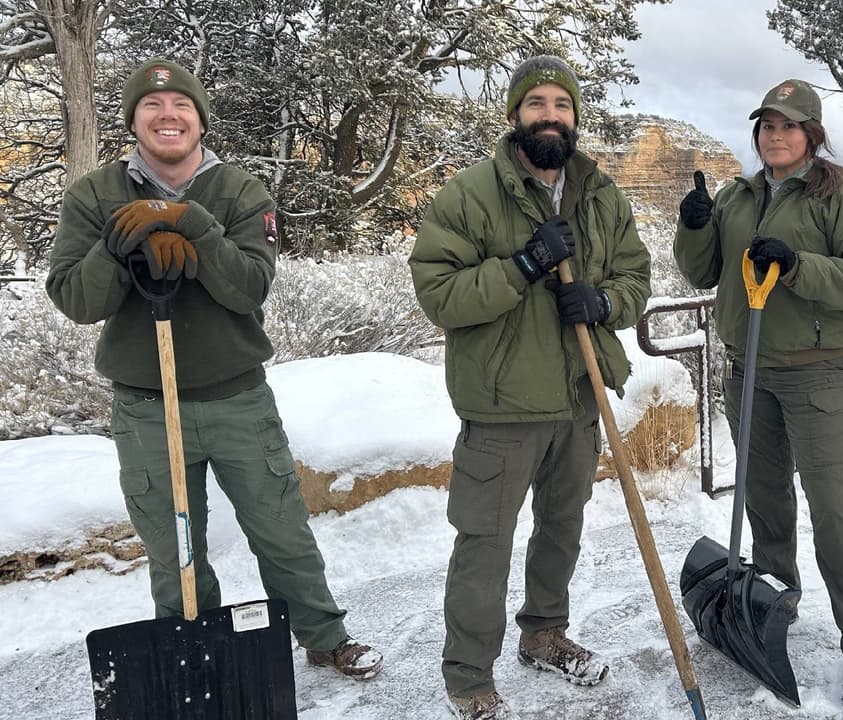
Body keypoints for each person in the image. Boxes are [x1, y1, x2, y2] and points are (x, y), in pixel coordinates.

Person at [46, 59, 383, 680]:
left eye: (181, 106)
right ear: (134, 120)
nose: (167, 116)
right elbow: (75, 299)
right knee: (173, 544)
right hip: (147, 406)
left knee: (280, 527)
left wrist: (193, 226)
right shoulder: (94, 195)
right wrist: (119, 246)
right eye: (152, 107)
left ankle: (323, 634)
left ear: (200, 119)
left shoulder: (238, 191)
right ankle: (195, 644)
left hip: (237, 399)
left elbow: (249, 288)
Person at [408, 55, 652, 720]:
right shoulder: (469, 193)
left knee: (561, 531)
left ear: (575, 116)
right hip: (501, 406)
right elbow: (440, 294)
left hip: (577, 399)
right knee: (484, 543)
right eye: (537, 102)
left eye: (562, 104)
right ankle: (468, 675)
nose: (550, 114)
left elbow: (636, 275)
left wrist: (603, 304)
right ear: (515, 114)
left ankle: (545, 634)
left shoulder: (599, 192)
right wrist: (522, 265)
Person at [673, 78, 843, 710]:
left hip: (816, 374)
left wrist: (797, 264)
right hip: (747, 370)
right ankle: (775, 597)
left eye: (789, 126)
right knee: (766, 500)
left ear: (811, 135)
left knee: (833, 511)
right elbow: (703, 271)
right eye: (767, 125)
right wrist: (693, 228)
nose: (776, 135)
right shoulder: (738, 195)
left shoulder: (841, 195)